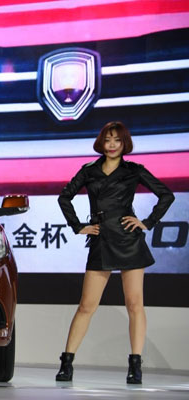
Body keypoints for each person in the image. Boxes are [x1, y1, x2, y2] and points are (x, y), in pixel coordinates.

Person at [55, 121, 175, 384]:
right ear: (101, 142)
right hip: (101, 239)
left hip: (128, 240)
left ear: (124, 143)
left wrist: (147, 222)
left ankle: (135, 365)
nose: (111, 145)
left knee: (134, 304)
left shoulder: (134, 170)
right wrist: (78, 226)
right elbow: (64, 197)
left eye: (117, 140)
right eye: (108, 139)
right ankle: (67, 363)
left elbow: (166, 195)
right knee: (87, 305)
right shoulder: (89, 170)